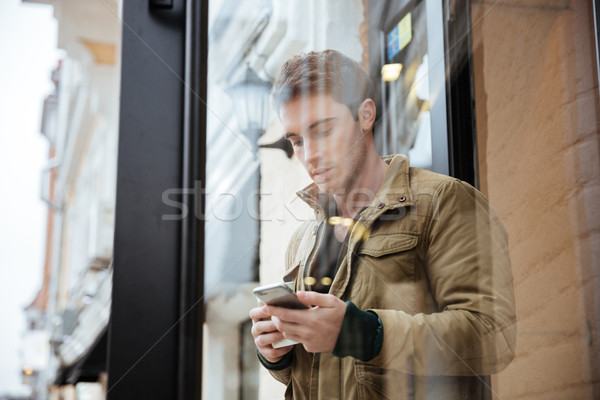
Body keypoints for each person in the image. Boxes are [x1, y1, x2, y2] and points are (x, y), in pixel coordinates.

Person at [249, 49, 516, 399]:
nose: (309, 155)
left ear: (365, 114)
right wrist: (276, 353)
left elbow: (494, 336)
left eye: (323, 129)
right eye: (297, 140)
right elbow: (326, 371)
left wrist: (365, 333)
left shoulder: (444, 201)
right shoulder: (303, 240)